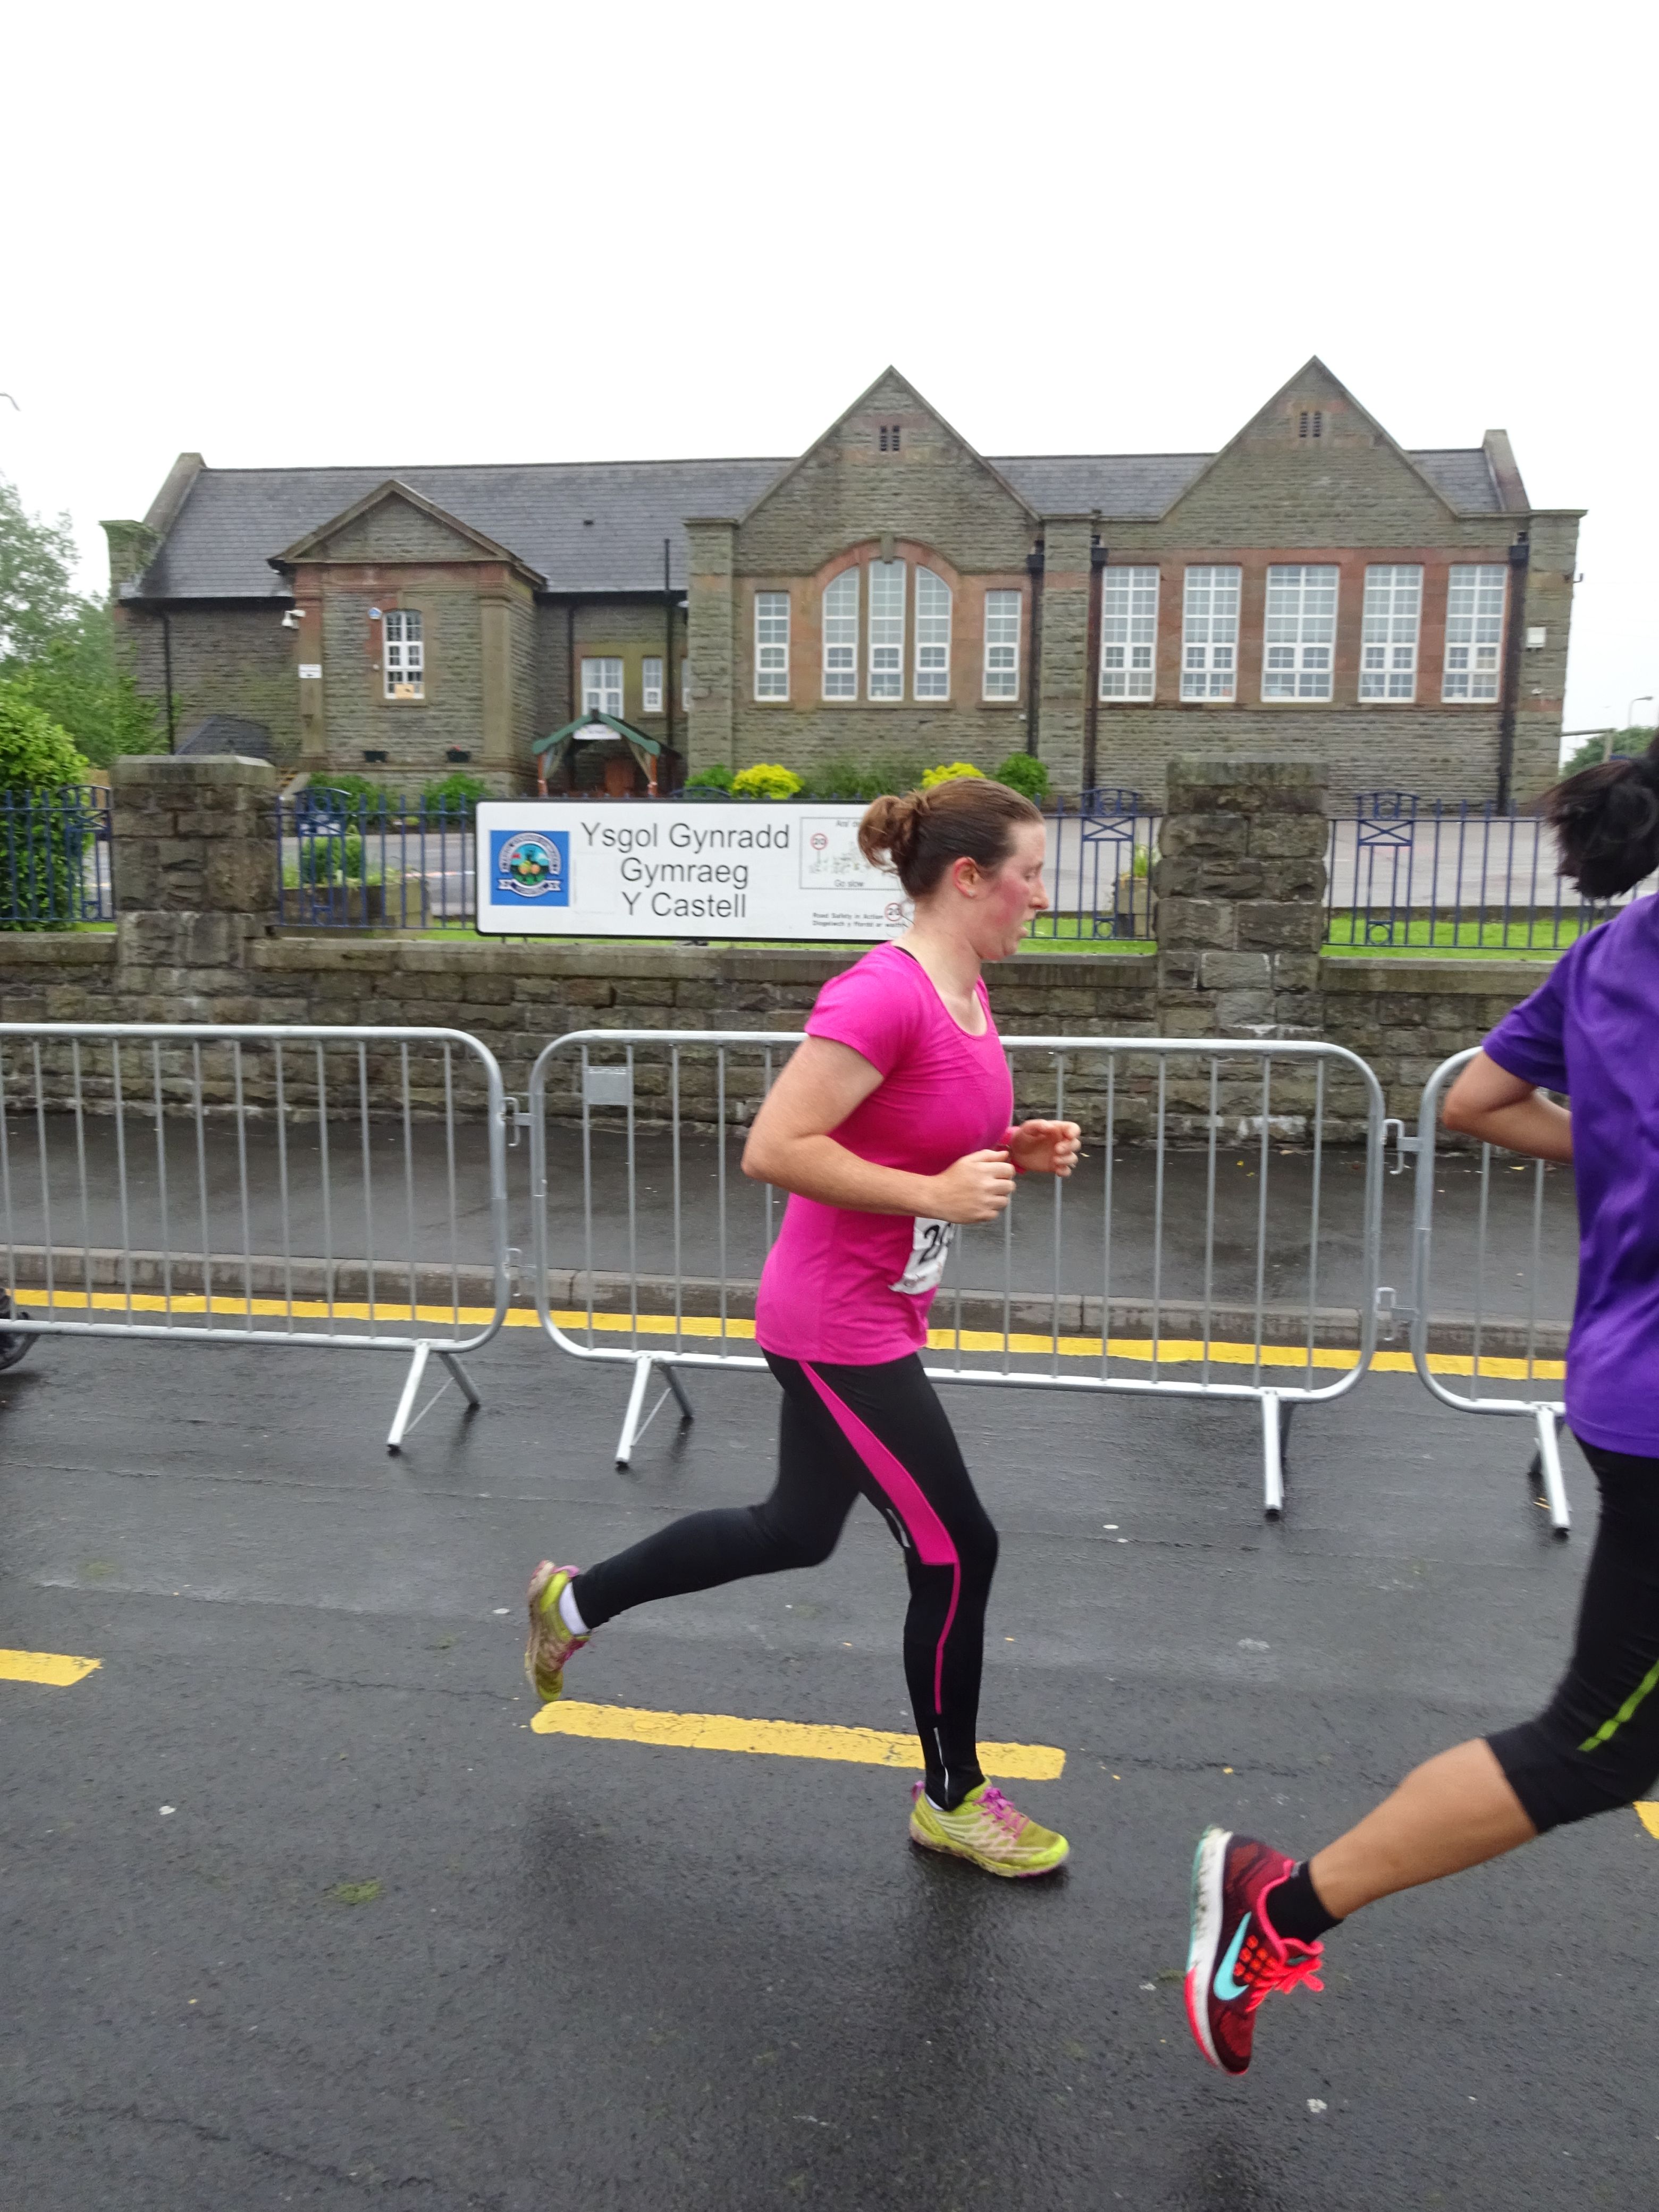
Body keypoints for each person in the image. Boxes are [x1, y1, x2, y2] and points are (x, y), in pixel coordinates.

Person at [1185, 738, 1659, 2074]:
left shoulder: (1611, 955)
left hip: (1622, 1374)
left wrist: (1620, 1149)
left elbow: (1480, 1099)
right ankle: (1279, 1905)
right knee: (1597, 1743)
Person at [525, 777, 1082, 1876]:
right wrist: (933, 1193)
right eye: (1031, 873)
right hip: (837, 1325)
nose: (1043, 895)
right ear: (969, 877)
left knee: (793, 1528)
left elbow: (904, 1128)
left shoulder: (965, 992)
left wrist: (1005, 1149)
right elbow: (775, 1147)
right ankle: (952, 1797)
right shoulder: (882, 994)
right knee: (958, 1548)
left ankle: (572, 1601)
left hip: (879, 1311)